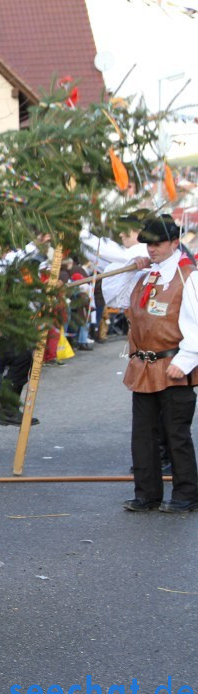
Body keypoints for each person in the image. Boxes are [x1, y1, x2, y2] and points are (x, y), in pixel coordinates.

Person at [102, 215, 198, 513]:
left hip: (173, 364)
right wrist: (131, 272)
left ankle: (187, 494)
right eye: (147, 244)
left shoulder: (188, 276)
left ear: (173, 242)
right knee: (143, 435)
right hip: (143, 366)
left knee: (176, 434)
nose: (152, 249)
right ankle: (147, 493)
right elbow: (115, 298)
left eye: (157, 244)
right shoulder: (146, 274)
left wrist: (186, 360)